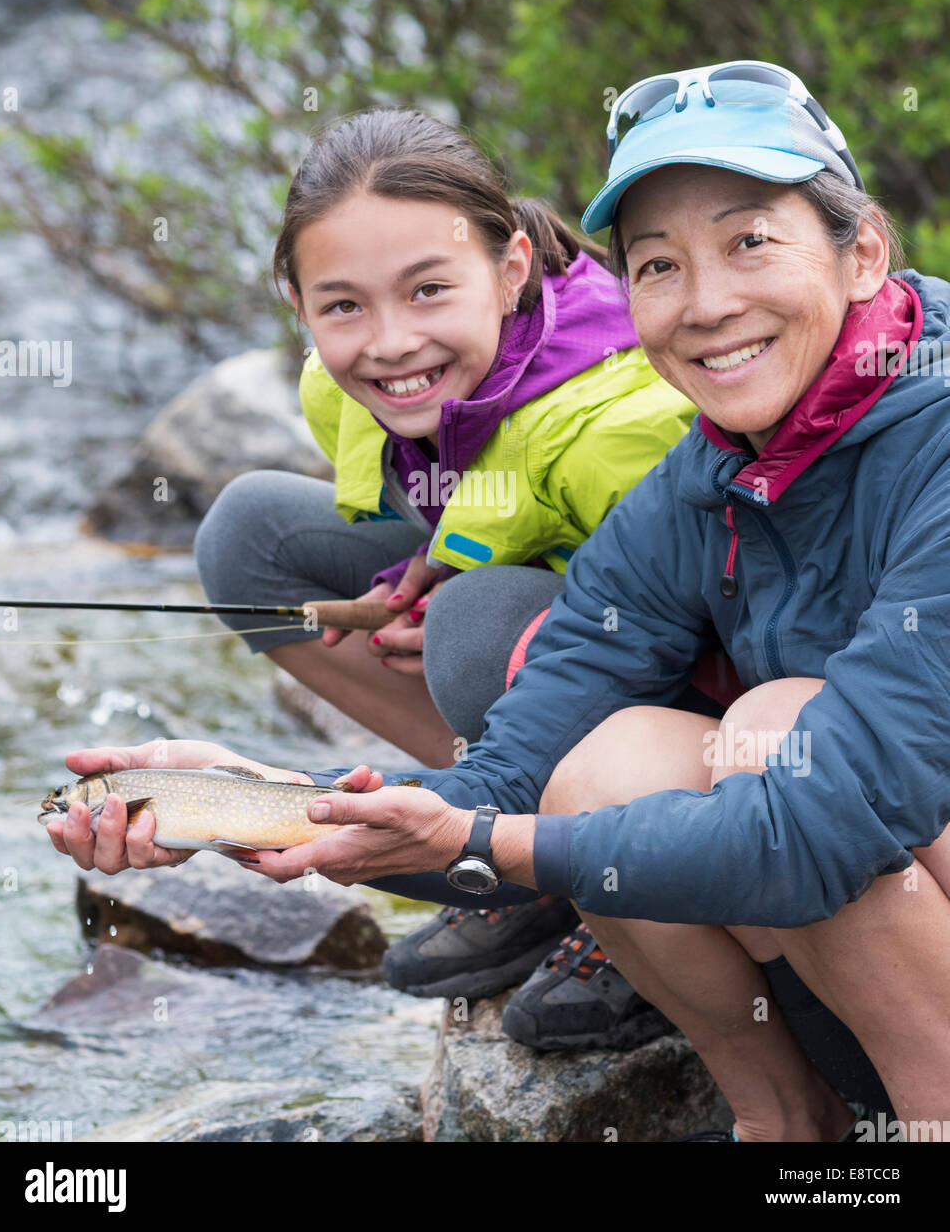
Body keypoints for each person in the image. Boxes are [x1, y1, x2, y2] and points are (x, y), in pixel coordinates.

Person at [48, 60, 950, 1140]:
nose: (708, 305)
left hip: (882, 911)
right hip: (861, 948)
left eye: (751, 241)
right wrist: (252, 801)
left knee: (767, 737)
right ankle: (791, 1131)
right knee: (591, 771)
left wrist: (509, 847)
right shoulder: (700, 479)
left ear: (864, 254)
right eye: (659, 264)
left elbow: (828, 819)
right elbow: (507, 773)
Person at [189, 107, 720, 1050]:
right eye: (343, 304)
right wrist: (428, 563)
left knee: (473, 626)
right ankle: (487, 847)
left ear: (510, 268)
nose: (389, 343)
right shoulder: (339, 380)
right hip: (556, 632)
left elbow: (727, 638)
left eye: (429, 290)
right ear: (298, 301)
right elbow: (469, 502)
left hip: (691, 712)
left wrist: (472, 583)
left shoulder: (619, 426)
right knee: (250, 537)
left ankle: (617, 893)